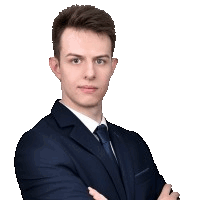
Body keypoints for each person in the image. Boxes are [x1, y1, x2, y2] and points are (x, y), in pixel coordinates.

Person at [15, 5, 180, 200]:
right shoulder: (39, 147)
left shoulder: (133, 143)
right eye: (76, 60)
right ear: (56, 67)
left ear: (112, 66)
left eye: (100, 61)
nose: (90, 73)